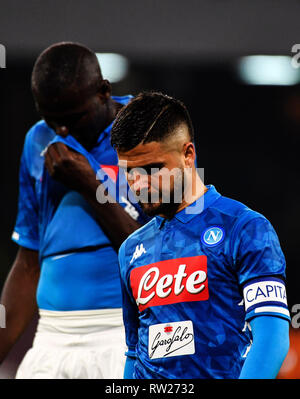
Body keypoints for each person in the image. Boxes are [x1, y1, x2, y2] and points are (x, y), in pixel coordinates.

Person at [110, 91, 290, 379]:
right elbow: (134, 351)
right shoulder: (130, 250)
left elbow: (272, 339)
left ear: (188, 155)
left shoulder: (244, 228)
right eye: (129, 172)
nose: (138, 184)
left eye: (152, 169)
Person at [0, 42, 148, 379]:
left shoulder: (149, 133)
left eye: (73, 117)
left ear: (103, 91)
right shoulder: (37, 141)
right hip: (50, 339)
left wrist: (91, 186)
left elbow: (163, 258)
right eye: (53, 121)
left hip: (122, 335)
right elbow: (27, 262)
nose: (63, 132)